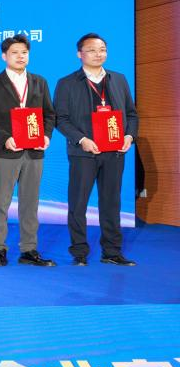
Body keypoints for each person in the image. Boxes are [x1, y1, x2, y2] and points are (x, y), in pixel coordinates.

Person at [54, 33, 138, 266]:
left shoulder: (118, 79)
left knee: (111, 203)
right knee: (78, 203)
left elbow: (131, 114)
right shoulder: (67, 83)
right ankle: (79, 252)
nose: (98, 54)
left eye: (102, 49)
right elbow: (60, 119)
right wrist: (81, 139)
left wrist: (129, 136)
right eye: (92, 50)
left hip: (114, 152)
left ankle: (111, 252)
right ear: (79, 54)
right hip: (84, 153)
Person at [0, 33, 56, 267]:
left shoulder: (39, 81)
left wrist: (46, 136)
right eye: (15, 53)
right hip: (6, 151)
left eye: (24, 52)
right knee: (0, 203)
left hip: (34, 152)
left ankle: (29, 250)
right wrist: (5, 139)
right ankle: (0, 250)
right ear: (4, 56)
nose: (20, 56)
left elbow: (49, 114)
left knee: (30, 203)